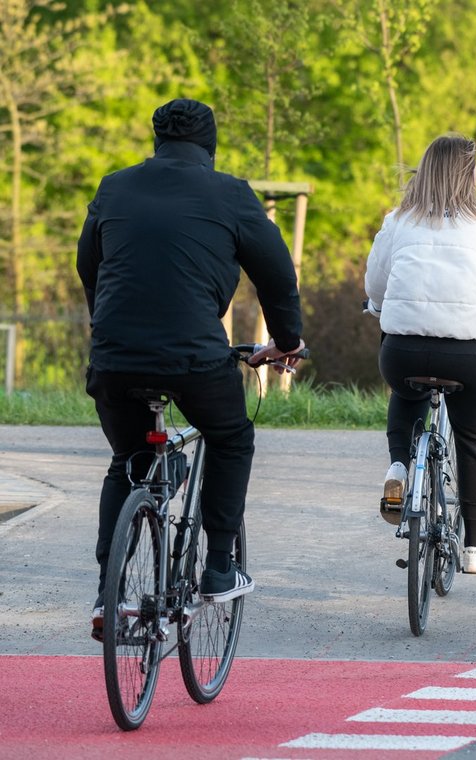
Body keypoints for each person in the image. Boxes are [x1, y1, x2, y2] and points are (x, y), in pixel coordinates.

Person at [77, 98, 305, 641]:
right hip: (195, 358)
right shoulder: (230, 193)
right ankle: (220, 566)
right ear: (211, 144)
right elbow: (276, 276)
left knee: (128, 459)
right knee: (230, 437)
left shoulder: (114, 186)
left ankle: (109, 595)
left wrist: (106, 323)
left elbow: (90, 263)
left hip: (113, 358)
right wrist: (287, 342)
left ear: (157, 140)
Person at [364, 133, 476, 575]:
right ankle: (474, 547)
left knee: (407, 390)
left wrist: (378, 307)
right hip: (467, 357)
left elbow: (376, 287)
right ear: (471, 174)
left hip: (403, 353)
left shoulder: (398, 221)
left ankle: (400, 467)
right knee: (474, 437)